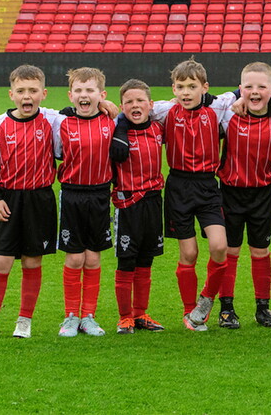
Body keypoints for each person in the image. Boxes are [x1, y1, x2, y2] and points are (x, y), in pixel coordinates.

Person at [113, 58, 234, 332]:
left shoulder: (218, 107)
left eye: (192, 86)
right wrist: (120, 127)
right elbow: (133, 111)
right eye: (181, 87)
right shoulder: (167, 111)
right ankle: (190, 312)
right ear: (173, 89)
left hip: (207, 186)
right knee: (188, 253)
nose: (187, 92)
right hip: (178, 186)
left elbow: (241, 96)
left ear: (205, 87)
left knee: (219, 246)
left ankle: (206, 299)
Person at [0, 65, 61, 340]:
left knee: (31, 262)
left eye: (33, 91)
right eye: (22, 91)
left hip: (40, 199)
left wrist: (106, 104)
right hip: (8, 199)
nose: (28, 96)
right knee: (1, 262)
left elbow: (82, 117)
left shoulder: (53, 120)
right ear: (11, 94)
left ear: (43, 94)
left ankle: (24, 321)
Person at [216, 62, 271, 329]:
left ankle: (263, 308)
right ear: (239, 89)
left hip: (263, 193)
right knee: (230, 250)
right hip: (231, 192)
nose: (254, 92)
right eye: (248, 87)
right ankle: (226, 308)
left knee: (260, 251)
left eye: (261, 87)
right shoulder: (228, 114)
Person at [53, 67, 115, 338]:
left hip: (101, 195)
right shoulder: (61, 122)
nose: (83, 95)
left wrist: (111, 107)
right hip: (72, 195)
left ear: (101, 95)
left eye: (90, 90)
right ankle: (70, 316)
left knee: (92, 257)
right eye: (78, 90)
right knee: (75, 257)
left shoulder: (113, 121)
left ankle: (89, 315)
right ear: (70, 95)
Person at [111, 79, 166, 334]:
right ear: (122, 107)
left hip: (153, 201)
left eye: (140, 101)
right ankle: (125, 317)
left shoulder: (158, 128)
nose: (135, 105)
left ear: (150, 105)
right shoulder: (114, 131)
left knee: (146, 260)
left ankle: (141, 313)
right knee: (127, 260)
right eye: (129, 102)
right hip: (127, 202)